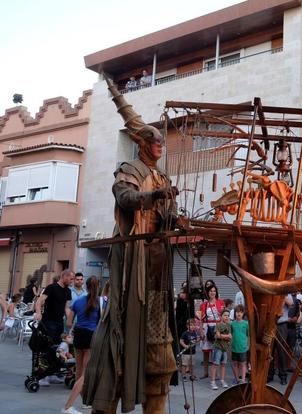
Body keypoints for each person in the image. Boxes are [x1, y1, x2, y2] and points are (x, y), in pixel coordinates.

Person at [83, 80, 184, 414]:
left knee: (159, 308)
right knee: (128, 309)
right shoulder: (130, 170)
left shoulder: (163, 177)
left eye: (161, 143)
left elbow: (166, 214)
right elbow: (125, 198)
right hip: (135, 254)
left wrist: (174, 218)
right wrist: (150, 197)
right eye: (156, 143)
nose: (160, 147)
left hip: (158, 256)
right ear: (143, 144)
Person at [62, 276, 101, 412]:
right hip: (92, 337)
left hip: (78, 335)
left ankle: (85, 401)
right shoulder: (100, 303)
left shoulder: (78, 302)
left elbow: (68, 322)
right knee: (86, 374)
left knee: (79, 372)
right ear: (98, 287)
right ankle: (68, 406)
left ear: (86, 286)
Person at [35, 269, 73, 343]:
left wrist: (69, 320)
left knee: (57, 345)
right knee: (47, 344)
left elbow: (66, 308)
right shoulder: (51, 287)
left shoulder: (68, 291)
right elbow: (39, 301)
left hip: (60, 322)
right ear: (64, 276)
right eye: (71, 279)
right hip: (49, 321)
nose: (72, 281)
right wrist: (38, 313)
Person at [200, 285, 225, 379]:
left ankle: (216, 374)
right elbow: (201, 320)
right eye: (210, 291)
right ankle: (205, 373)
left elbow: (224, 317)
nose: (212, 292)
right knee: (206, 352)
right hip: (206, 327)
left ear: (216, 292)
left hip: (217, 328)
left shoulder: (221, 303)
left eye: (214, 291)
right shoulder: (203, 305)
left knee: (217, 351)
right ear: (207, 292)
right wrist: (201, 332)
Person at [273, 294, 295, 385]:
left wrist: (282, 294)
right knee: (269, 351)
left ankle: (283, 376)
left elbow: (291, 303)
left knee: (281, 350)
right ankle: (269, 374)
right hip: (270, 323)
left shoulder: (286, 293)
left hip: (281, 324)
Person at [210, 309, 232, 390]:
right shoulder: (218, 325)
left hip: (225, 348)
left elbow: (230, 336)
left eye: (228, 315)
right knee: (215, 364)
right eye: (225, 315)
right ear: (221, 316)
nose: (226, 317)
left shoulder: (229, 325)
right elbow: (218, 336)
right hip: (218, 347)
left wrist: (223, 336)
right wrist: (225, 336)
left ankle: (222, 380)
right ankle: (212, 382)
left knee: (223, 364)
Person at [231, 305, 249, 384]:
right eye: (237, 312)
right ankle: (237, 378)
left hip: (243, 347)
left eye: (241, 312)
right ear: (235, 313)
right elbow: (230, 334)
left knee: (243, 363)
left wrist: (248, 345)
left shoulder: (246, 323)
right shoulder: (232, 324)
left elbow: (248, 335)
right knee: (235, 363)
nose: (239, 314)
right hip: (234, 347)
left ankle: (243, 379)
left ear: (243, 313)